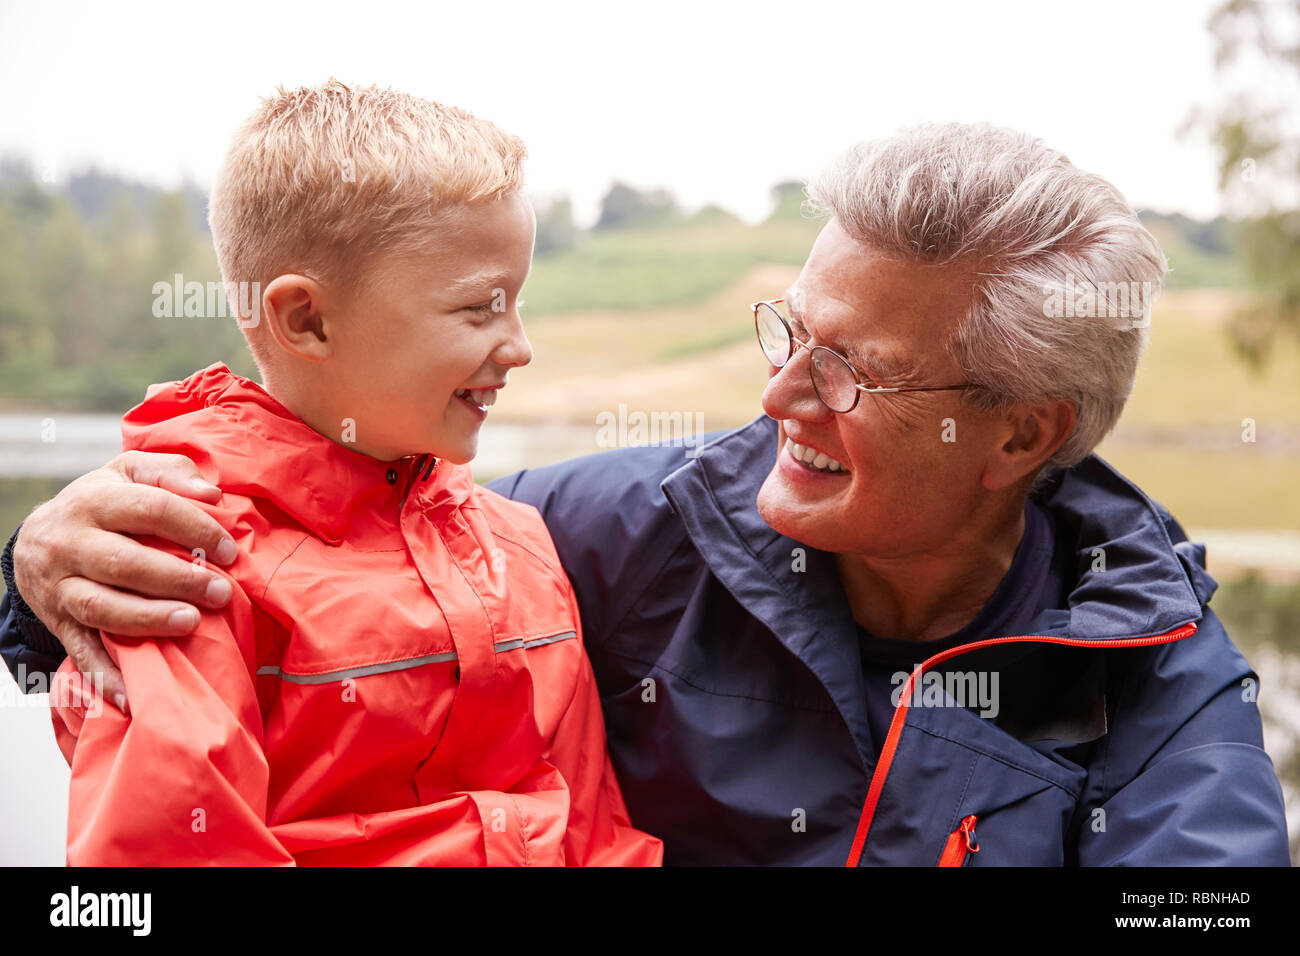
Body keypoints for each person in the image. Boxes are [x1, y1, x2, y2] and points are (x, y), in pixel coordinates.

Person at [4, 122, 1288, 865]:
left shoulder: (1158, 678)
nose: (780, 398)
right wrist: (36, 564)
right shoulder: (596, 532)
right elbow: (333, 530)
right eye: (789, 330)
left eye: (860, 373)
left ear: (1021, 435)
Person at [5, 79, 662, 866]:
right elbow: (165, 851)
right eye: (480, 310)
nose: (519, 346)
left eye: (517, 304)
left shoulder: (518, 541)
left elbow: (589, 821)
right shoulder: (180, 563)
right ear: (306, 320)